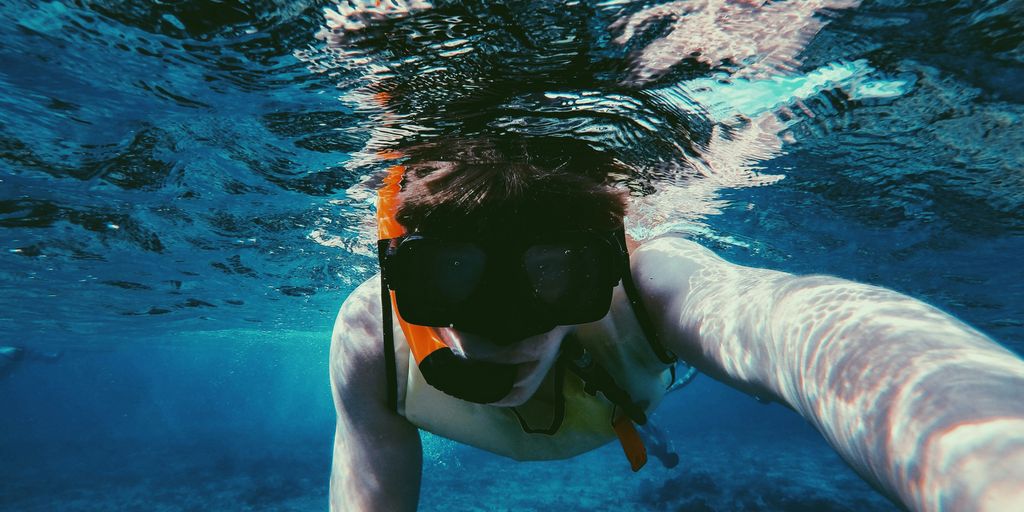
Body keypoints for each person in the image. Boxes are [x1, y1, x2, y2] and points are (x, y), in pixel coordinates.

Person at [328, 138, 1024, 511]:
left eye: (556, 275)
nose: (503, 325)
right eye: (449, 275)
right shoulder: (371, 339)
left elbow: (804, 329)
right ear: (402, 274)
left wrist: (991, 466)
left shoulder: (650, 282)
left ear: (600, 265)